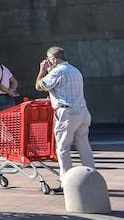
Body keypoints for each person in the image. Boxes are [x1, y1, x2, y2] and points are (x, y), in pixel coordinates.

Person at [36, 46, 94, 179]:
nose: (48, 61)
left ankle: (66, 181)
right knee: (84, 146)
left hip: (67, 113)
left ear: (54, 59)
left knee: (63, 148)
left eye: (48, 59)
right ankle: (92, 176)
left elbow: (39, 86)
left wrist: (42, 70)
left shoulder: (58, 72)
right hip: (82, 111)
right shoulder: (75, 70)